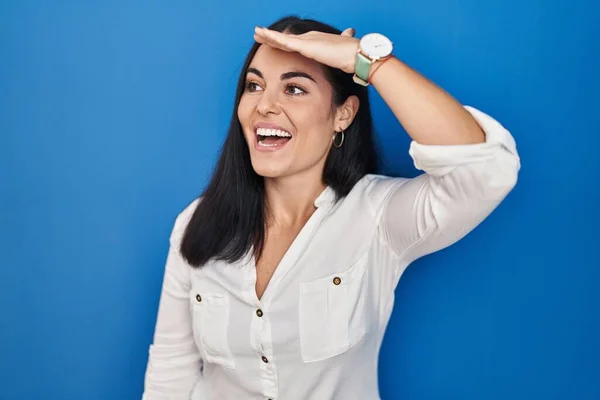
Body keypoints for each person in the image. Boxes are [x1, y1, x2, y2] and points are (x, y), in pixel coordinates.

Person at [142, 15, 520, 400]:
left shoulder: (378, 218)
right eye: (254, 85)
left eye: (294, 89)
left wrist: (366, 61)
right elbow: (170, 373)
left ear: (344, 114)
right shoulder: (196, 223)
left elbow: (485, 170)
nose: (264, 106)